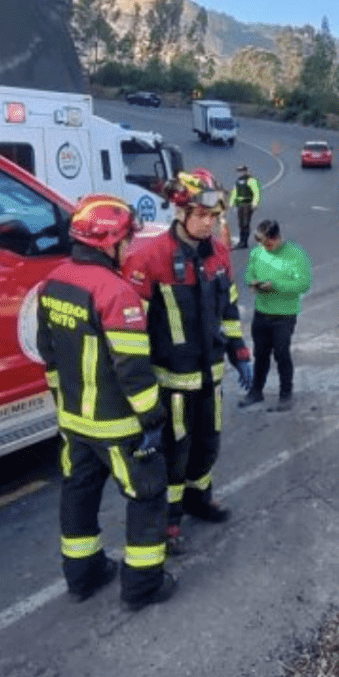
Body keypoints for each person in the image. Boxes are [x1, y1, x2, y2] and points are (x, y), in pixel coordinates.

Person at [37, 194, 175, 612]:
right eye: (125, 242)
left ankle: (82, 576)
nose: (129, 249)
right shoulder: (116, 293)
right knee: (148, 495)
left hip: (75, 420)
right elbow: (132, 367)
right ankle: (143, 586)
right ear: (109, 243)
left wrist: (64, 405)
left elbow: (48, 354)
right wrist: (152, 416)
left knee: (78, 494)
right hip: (118, 425)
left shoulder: (53, 282)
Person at [124, 170, 254, 536]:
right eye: (201, 215)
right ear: (181, 214)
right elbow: (133, 332)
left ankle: (201, 499)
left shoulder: (219, 255)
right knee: (175, 452)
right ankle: (170, 520)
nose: (208, 224)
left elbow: (228, 308)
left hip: (210, 376)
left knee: (207, 444)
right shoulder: (151, 258)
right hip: (172, 380)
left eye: (213, 217)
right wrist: (141, 389)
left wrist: (239, 351)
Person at [240, 219, 314, 411]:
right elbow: (249, 273)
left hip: (284, 315)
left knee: (281, 353)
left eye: (268, 243)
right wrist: (253, 282)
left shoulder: (295, 255)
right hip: (262, 312)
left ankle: (285, 394)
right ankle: (256, 391)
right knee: (260, 354)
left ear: (276, 237)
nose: (265, 247)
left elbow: (303, 284)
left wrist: (275, 285)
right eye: (261, 244)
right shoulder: (258, 253)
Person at [230, 164, 261, 249]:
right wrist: (232, 203)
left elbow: (256, 192)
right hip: (240, 205)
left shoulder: (251, 180)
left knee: (245, 223)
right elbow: (235, 192)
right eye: (239, 171)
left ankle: (244, 242)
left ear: (245, 171)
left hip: (247, 204)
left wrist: (254, 203)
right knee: (241, 224)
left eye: (242, 171)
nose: (240, 173)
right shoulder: (238, 181)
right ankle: (241, 241)